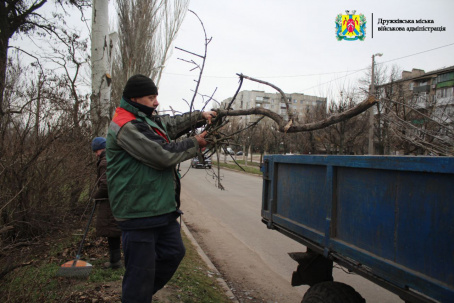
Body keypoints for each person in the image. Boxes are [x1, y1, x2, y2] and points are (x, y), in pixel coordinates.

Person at [106, 74, 216, 303]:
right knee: (140, 274)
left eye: (156, 96)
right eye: (151, 97)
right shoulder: (125, 125)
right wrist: (195, 143)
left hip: (161, 210)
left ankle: (139, 295)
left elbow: (171, 123)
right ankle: (137, 296)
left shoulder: (146, 119)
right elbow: (163, 155)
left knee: (174, 253)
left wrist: (199, 116)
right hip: (138, 212)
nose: (156, 102)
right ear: (135, 98)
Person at [91, 137, 122, 269]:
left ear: (100, 149)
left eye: (96, 151)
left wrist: (95, 197)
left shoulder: (105, 162)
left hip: (111, 202)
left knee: (112, 230)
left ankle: (115, 261)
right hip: (118, 199)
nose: (96, 154)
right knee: (116, 230)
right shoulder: (114, 157)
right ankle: (118, 259)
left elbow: (105, 185)